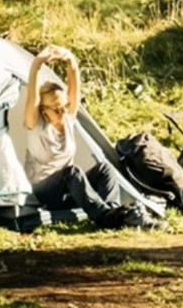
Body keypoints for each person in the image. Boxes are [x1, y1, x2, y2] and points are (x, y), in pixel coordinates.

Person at [23, 45, 157, 229]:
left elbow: (74, 87)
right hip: (43, 193)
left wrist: (70, 60)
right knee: (72, 172)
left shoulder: (68, 119)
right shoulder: (36, 126)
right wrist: (38, 63)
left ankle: (117, 214)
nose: (62, 111)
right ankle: (105, 217)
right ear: (43, 110)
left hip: (67, 190)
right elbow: (32, 96)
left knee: (105, 169)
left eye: (64, 106)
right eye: (56, 108)